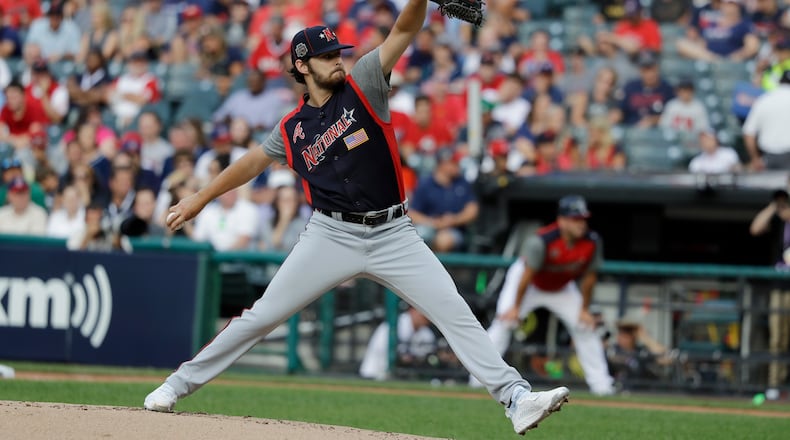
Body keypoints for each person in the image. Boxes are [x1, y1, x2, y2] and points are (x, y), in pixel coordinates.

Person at [143, 7, 570, 434]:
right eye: (327, 55)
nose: (337, 60)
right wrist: (200, 198)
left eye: (338, 52)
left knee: (454, 311)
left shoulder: (365, 82)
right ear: (302, 66)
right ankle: (176, 385)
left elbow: (405, 28)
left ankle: (516, 398)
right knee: (260, 317)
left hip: (394, 232)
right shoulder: (292, 129)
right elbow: (252, 162)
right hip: (331, 234)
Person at [469, 195, 616, 396]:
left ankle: (602, 387)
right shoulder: (542, 241)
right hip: (530, 284)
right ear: (562, 220)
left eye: (582, 219)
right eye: (575, 219)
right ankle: (477, 381)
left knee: (585, 326)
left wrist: (583, 310)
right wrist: (515, 308)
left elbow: (589, 278)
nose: (581, 224)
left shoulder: (592, 241)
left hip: (562, 287)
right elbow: (526, 276)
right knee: (505, 322)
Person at [749, 186, 790, 400]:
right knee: (777, 338)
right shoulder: (778, 219)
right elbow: (755, 229)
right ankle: (775, 385)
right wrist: (775, 206)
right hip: (780, 286)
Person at [359, 306, 437, 381]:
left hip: (402, 376)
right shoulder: (399, 323)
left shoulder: (425, 332)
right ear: (412, 310)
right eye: (422, 314)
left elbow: (426, 354)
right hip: (374, 372)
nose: (425, 318)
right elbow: (389, 352)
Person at [743, 70, 790, 171]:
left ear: (780, 82)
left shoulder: (763, 99)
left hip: (769, 156)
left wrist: (755, 158)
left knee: (771, 185)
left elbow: (748, 133)